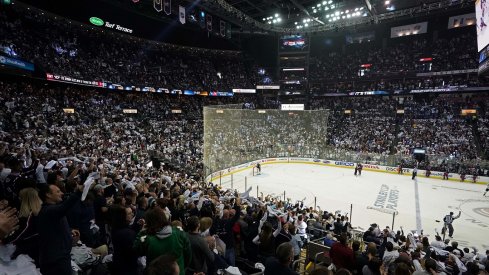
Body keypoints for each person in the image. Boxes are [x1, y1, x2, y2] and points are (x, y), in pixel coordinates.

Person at [37, 183, 83, 275]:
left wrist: (69, 230)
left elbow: (55, 225)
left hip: (61, 256)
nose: (61, 193)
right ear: (48, 195)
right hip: (56, 260)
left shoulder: (52, 209)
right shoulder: (48, 210)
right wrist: (78, 192)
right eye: (58, 191)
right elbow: (63, 208)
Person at [134, 207, 192, 275]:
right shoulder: (179, 233)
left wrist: (142, 231)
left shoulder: (147, 239)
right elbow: (188, 254)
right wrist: (182, 268)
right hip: (178, 271)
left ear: (149, 223)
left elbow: (136, 249)